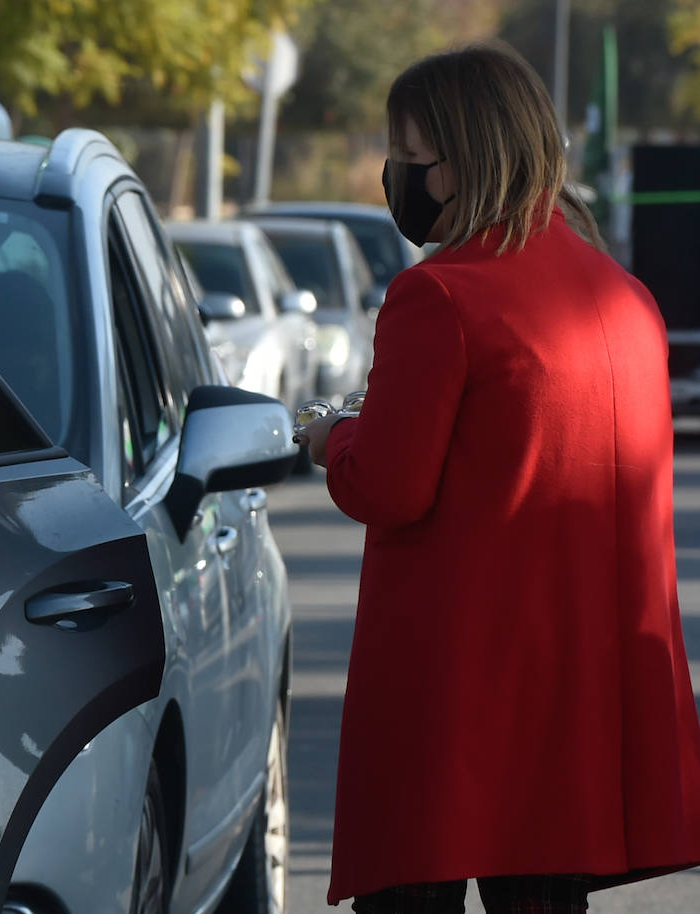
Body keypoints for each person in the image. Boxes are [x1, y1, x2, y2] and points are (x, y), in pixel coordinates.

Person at [294, 42, 700, 913]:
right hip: (580, 695)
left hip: (452, 689)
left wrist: (333, 436)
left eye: (409, 155)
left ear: (464, 161)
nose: (395, 175)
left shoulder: (440, 296)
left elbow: (389, 487)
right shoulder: (626, 297)